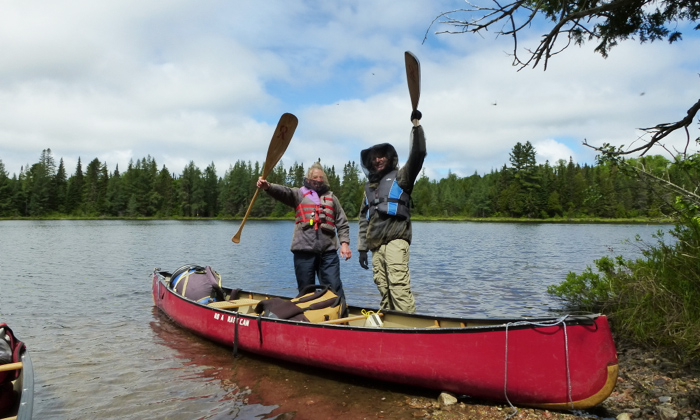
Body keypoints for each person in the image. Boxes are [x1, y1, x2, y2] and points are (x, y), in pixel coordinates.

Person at [357, 109, 426, 313]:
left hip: (396, 241)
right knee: (384, 290)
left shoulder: (401, 177)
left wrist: (416, 127)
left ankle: (410, 327)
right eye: (374, 159)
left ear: (389, 159)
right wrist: (362, 249)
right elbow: (363, 220)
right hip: (375, 247)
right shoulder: (369, 189)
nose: (377, 160)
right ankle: (391, 326)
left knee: (399, 288)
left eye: (381, 157)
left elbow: (418, 155)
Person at [257, 162, 351, 302]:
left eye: (321, 177)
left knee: (334, 288)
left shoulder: (332, 198)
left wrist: (344, 244)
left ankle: (340, 317)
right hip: (304, 251)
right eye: (315, 177)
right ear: (308, 179)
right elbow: (283, 192)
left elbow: (342, 222)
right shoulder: (298, 194)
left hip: (328, 253)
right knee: (306, 290)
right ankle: (307, 319)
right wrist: (268, 187)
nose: (318, 180)